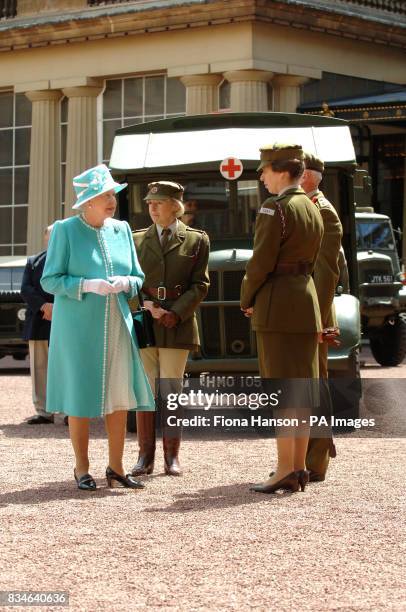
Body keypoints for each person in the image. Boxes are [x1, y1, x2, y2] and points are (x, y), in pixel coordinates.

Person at [41, 164, 155, 491]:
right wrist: (86, 285)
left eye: (112, 195)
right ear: (88, 201)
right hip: (77, 329)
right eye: (104, 195)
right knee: (80, 397)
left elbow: (138, 277)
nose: (111, 201)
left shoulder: (121, 230)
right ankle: (82, 468)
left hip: (117, 326)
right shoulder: (65, 230)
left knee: (118, 397)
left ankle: (116, 468)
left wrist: (126, 282)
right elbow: (50, 280)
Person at [240, 144, 324, 494]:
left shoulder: (275, 209)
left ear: (282, 171)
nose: (261, 176)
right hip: (306, 301)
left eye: (264, 170)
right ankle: (299, 467)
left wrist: (247, 297)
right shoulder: (311, 205)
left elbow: (261, 261)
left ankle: (284, 469)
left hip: (277, 304)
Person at [131, 181, 210, 477]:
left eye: (158, 203)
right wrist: (146, 306)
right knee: (145, 391)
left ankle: (171, 456)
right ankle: (144, 456)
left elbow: (200, 285)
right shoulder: (136, 240)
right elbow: (129, 282)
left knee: (172, 390)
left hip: (177, 324)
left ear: (175, 206)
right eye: (149, 203)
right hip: (146, 323)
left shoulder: (196, 240)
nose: (151, 208)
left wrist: (175, 313)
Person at [301, 153, 343, 481]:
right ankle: (304, 458)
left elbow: (326, 275)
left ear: (309, 177)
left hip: (314, 314)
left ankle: (315, 462)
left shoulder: (323, 212)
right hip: (303, 312)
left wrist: (319, 321)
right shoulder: (308, 208)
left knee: (315, 384)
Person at [21, 225, 55, 425]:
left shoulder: (71, 260)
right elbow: (25, 288)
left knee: (66, 367)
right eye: (51, 236)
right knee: (40, 367)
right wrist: (44, 306)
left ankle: (68, 412)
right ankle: (43, 411)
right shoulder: (33, 262)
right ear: (45, 238)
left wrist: (57, 307)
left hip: (65, 320)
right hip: (39, 321)